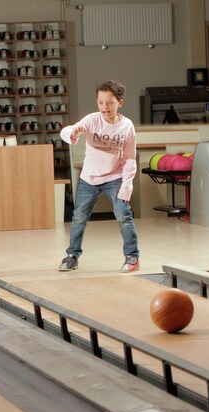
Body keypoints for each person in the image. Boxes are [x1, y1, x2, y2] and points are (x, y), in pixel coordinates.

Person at [58, 80, 140, 273]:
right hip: (90, 178)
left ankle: (132, 257)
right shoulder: (92, 120)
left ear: (120, 103)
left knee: (123, 215)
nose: (105, 107)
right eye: (101, 102)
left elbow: (130, 158)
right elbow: (66, 131)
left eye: (110, 102)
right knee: (79, 217)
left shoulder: (127, 126)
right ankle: (72, 256)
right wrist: (74, 132)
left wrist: (127, 185)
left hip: (116, 177)